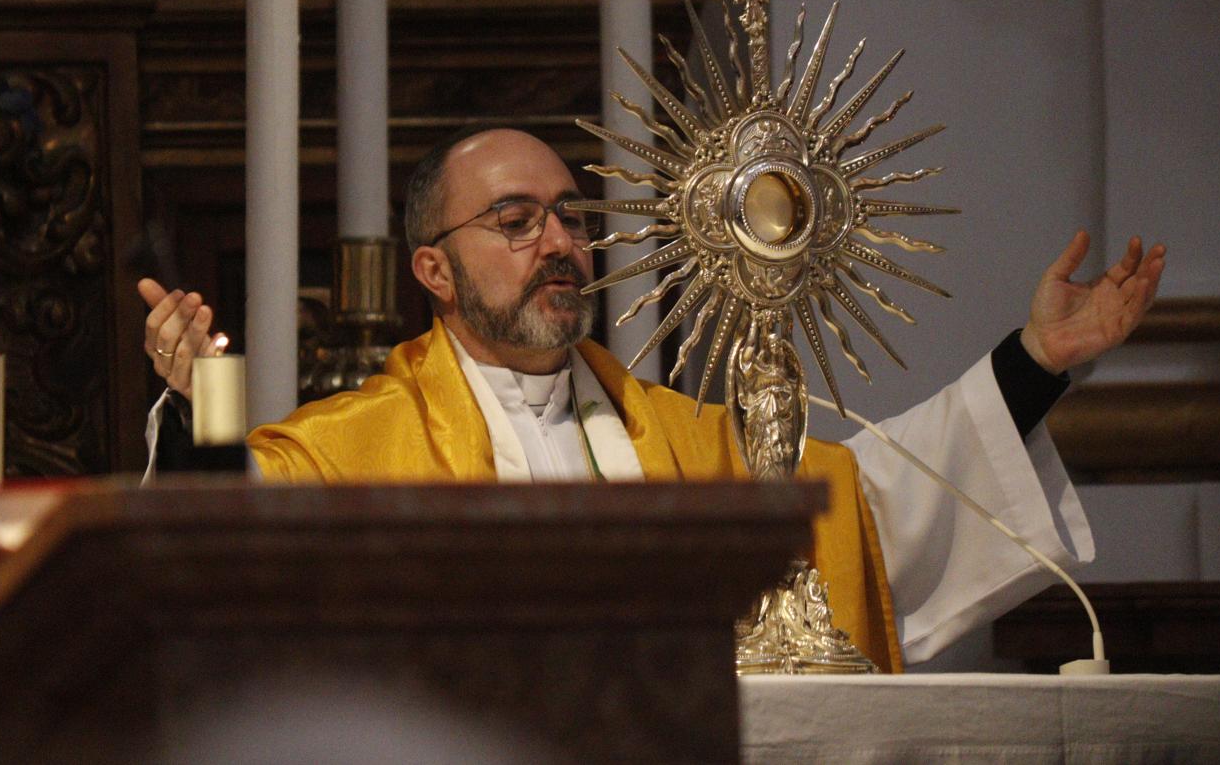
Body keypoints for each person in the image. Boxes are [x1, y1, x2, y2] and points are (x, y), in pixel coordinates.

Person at [139, 128, 1165, 669]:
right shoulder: (358, 444)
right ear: (433, 272)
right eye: (513, 220)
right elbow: (243, 550)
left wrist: (1036, 359)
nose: (557, 244)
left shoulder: (678, 439)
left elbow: (870, 510)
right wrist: (198, 409)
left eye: (568, 218)